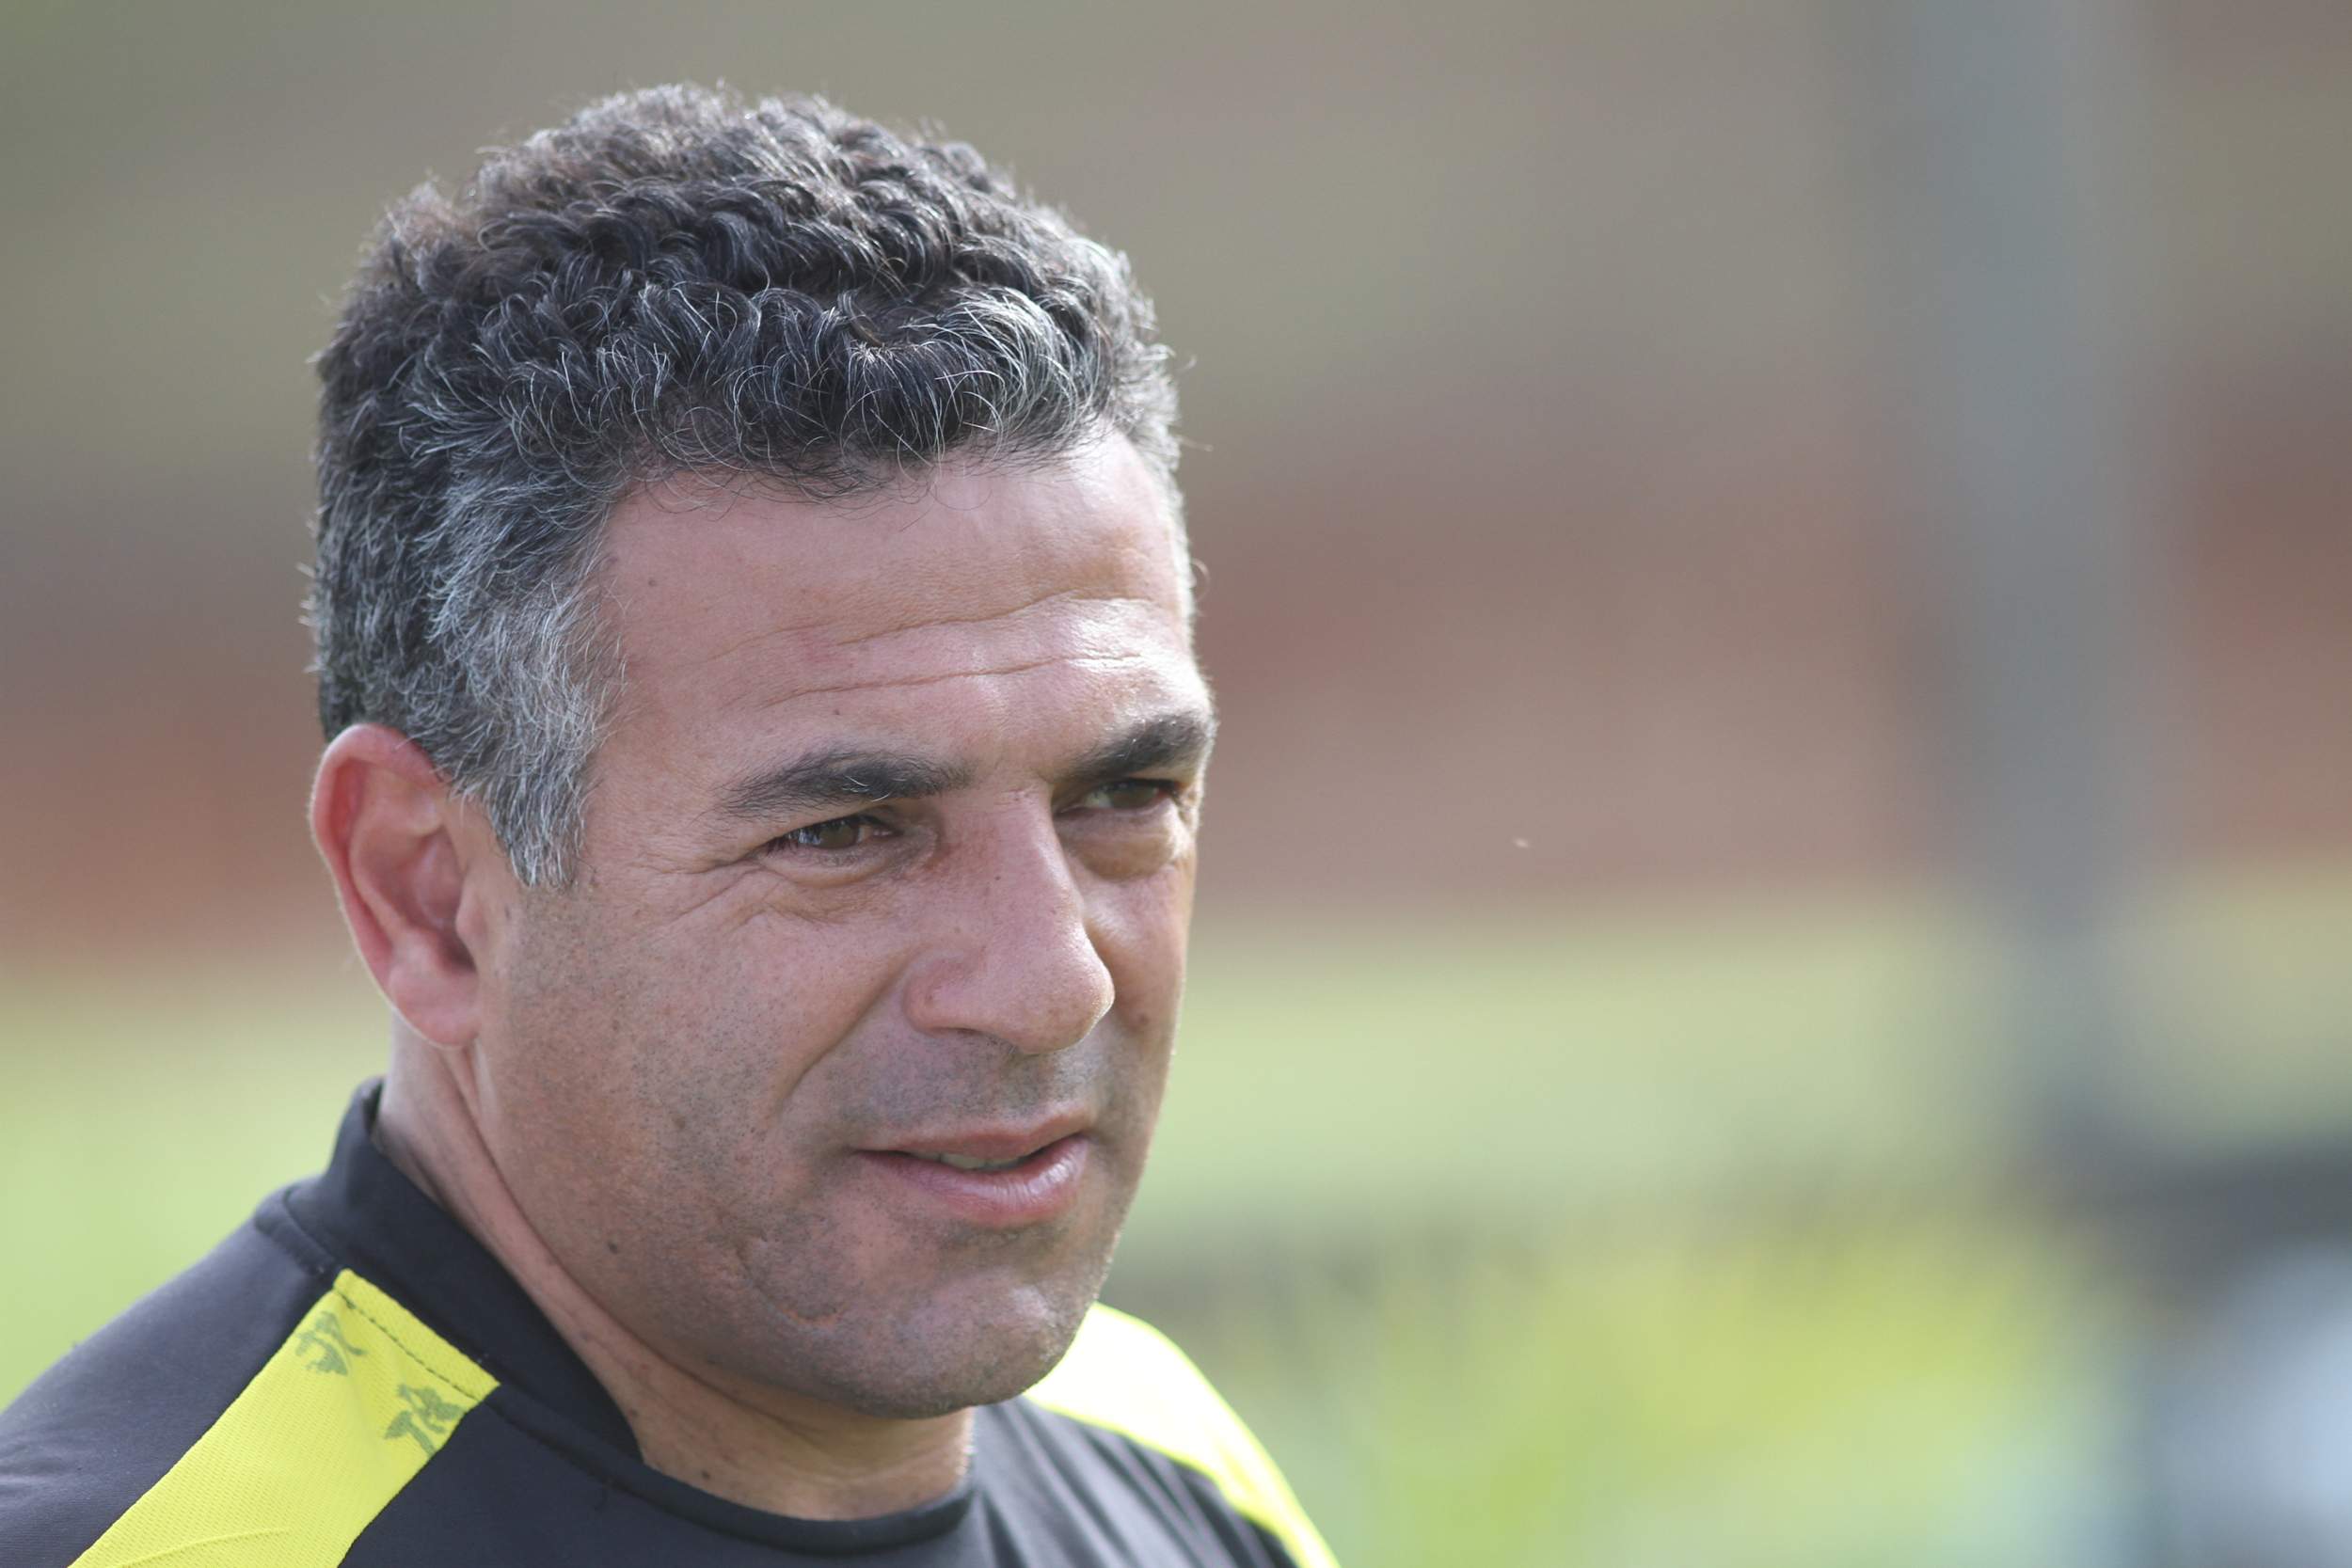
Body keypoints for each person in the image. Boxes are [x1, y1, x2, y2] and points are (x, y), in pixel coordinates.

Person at [0, 84, 1335, 1568]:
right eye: (846, 831)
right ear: (429, 897)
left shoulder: (1164, 1456)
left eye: (1123, 797)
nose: (1051, 983)